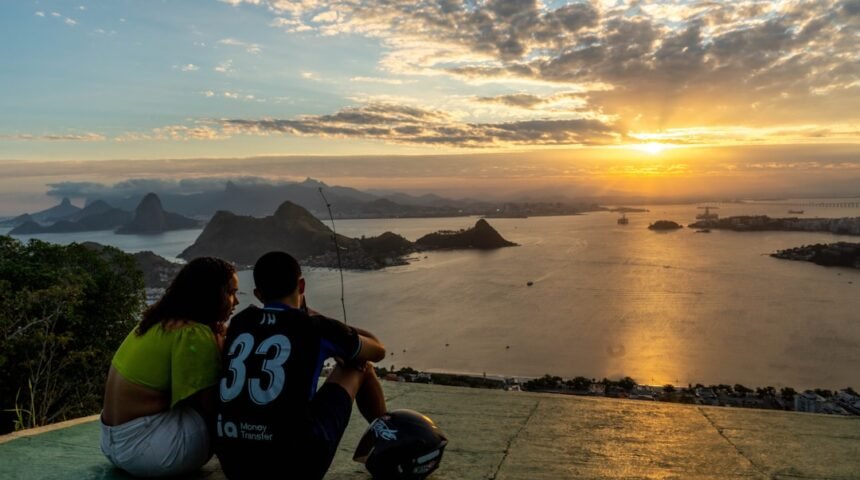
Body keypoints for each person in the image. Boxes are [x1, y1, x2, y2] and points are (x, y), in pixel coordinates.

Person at [214, 251, 387, 480]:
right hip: (295, 465)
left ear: (258, 294)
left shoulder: (239, 323)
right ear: (302, 285)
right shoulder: (314, 327)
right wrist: (334, 328)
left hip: (234, 462)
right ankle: (389, 439)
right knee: (359, 365)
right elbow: (378, 350)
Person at [100, 256, 239, 477]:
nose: (236, 302)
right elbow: (210, 406)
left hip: (114, 444)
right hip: (154, 451)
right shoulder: (191, 333)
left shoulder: (156, 322)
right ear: (210, 294)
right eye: (230, 293)